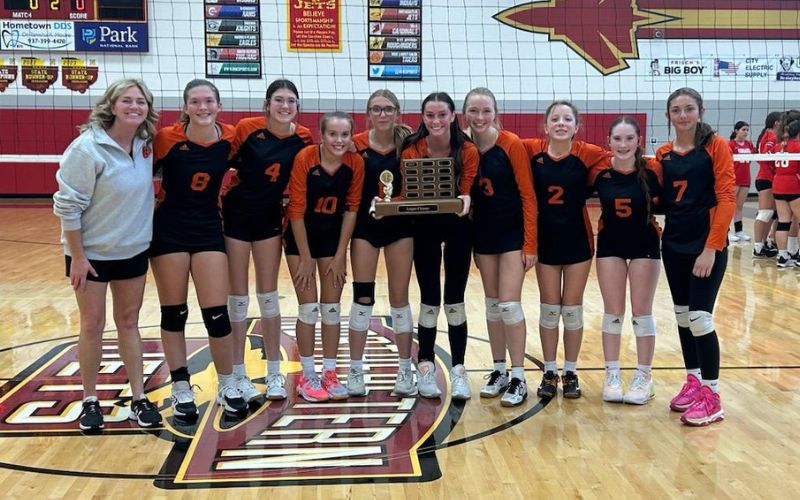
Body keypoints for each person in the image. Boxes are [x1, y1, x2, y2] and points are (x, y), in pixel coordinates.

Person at [53, 78, 162, 431]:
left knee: (129, 322)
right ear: (112, 105)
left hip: (133, 249)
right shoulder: (87, 149)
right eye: (126, 100)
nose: (134, 106)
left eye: (141, 101)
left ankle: (139, 397)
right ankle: (90, 400)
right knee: (92, 324)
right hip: (91, 254)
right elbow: (67, 206)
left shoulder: (145, 144)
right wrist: (78, 256)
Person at [151, 79, 247, 419]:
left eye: (209, 101)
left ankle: (227, 384)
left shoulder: (231, 138)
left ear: (219, 105)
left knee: (217, 314)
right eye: (195, 101)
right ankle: (180, 387)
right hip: (169, 230)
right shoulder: (166, 138)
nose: (203, 107)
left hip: (208, 229)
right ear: (185, 107)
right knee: (174, 313)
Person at [222, 80, 313, 402]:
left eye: (290, 101)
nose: (284, 106)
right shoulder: (247, 129)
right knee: (237, 299)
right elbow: (221, 161)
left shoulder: (304, 138)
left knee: (269, 297)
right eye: (278, 100)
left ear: (297, 106)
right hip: (236, 216)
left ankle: (274, 373)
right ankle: (237, 374)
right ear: (267, 104)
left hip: (269, 219)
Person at [656, 87, 734, 426]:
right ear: (668, 115)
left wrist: (711, 248)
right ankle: (694, 380)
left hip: (706, 246)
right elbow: (657, 199)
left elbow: (727, 198)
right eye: (676, 110)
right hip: (674, 245)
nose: (683, 115)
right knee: (684, 317)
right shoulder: (663, 154)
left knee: (701, 317)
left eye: (689, 108)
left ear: (700, 111)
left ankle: (712, 396)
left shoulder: (715, 146)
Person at [522, 101, 608, 400]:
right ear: (545, 126)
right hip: (544, 241)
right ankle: (549, 371)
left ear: (576, 126)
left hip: (577, 241)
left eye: (567, 119)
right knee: (549, 309)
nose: (561, 123)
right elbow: (503, 143)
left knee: (572, 310)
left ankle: (570, 372)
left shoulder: (588, 153)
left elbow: (621, 157)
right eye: (555, 119)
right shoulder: (532, 151)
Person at [400, 92, 478, 399]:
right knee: (429, 299)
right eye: (430, 115)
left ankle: (458, 370)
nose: (436, 121)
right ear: (422, 117)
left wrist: (465, 198)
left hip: (459, 226)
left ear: (453, 115)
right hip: (425, 226)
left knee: (455, 300)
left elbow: (466, 189)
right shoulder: (412, 149)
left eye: (442, 115)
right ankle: (426, 366)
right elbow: (409, 193)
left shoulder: (467, 149)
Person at [462, 87, 537, 407]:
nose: (480, 117)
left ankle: (519, 376)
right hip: (482, 236)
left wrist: (530, 243)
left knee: (509, 305)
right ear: (464, 114)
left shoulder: (510, 144)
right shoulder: (462, 146)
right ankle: (499, 371)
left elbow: (528, 195)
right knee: (492, 305)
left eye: (486, 111)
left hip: (511, 236)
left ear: (495, 113)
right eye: (474, 111)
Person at [285, 111, 364, 402]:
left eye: (345, 134)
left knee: (331, 309)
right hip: (301, 239)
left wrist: (341, 254)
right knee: (308, 309)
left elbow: (352, 209)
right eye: (333, 134)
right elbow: (295, 210)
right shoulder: (306, 158)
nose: (339, 140)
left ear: (351, 136)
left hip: (333, 240)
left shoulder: (355, 163)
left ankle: (330, 373)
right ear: (322, 135)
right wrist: (306, 258)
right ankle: (307, 376)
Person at [346, 90, 415, 396]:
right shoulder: (355, 144)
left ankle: (405, 370)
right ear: (368, 114)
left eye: (388, 109)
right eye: (377, 109)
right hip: (365, 228)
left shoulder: (409, 145)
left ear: (397, 113)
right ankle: (355, 369)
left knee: (399, 298)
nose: (383, 114)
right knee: (363, 298)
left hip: (400, 228)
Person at [589, 117, 662, 405]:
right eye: (617, 139)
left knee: (642, 313)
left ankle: (644, 376)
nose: (623, 145)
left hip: (645, 245)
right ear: (608, 141)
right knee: (613, 313)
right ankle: (612, 374)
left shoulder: (653, 171)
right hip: (610, 246)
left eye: (629, 138)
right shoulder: (599, 172)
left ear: (638, 140)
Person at [772, 109, 800, 268]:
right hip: (793, 186)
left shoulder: (778, 146)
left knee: (783, 222)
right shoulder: (798, 146)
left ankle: (782, 256)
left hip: (778, 185)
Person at [753, 112, 781, 258]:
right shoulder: (770, 136)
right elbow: (765, 155)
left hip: (770, 178)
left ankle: (764, 244)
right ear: (776, 123)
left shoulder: (769, 136)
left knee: (771, 214)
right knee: (764, 213)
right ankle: (757, 247)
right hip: (765, 178)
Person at [728, 121, 755, 242]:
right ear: (736, 131)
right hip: (734, 179)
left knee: (739, 206)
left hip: (745, 178)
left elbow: (752, 158)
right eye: (743, 130)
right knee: (730, 206)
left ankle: (739, 231)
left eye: (747, 130)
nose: (746, 132)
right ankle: (727, 231)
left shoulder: (749, 144)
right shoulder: (730, 144)